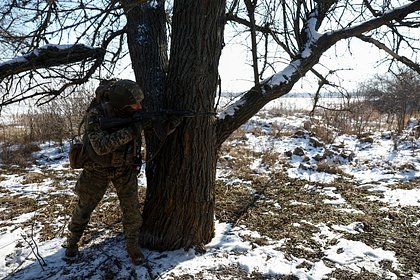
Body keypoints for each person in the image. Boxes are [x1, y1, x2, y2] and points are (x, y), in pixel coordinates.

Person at [65, 79, 179, 265]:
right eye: (135, 103)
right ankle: (72, 242)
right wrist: (133, 130)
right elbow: (101, 146)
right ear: (122, 103)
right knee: (84, 208)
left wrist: (172, 122)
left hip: (125, 169)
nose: (139, 106)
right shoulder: (96, 115)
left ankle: (132, 247)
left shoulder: (134, 112)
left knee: (132, 212)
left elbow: (158, 130)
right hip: (97, 170)